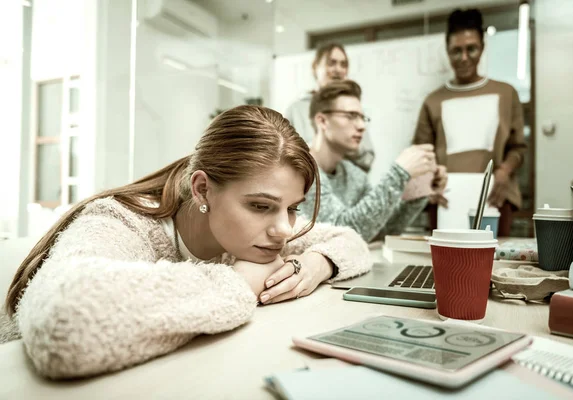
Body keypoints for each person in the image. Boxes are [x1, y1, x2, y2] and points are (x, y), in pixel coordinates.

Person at [1, 105, 372, 379]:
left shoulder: (251, 232)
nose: (285, 230)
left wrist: (314, 265)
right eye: (261, 206)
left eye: (292, 208)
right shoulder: (120, 221)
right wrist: (240, 283)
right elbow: (66, 324)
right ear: (201, 189)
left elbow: (349, 241)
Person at [413, 8, 527, 236]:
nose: (464, 58)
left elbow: (518, 148)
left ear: (482, 47)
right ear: (447, 51)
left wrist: (504, 171)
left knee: (491, 263)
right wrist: (429, 183)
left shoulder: (506, 93)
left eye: (471, 49)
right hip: (446, 203)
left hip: (495, 197)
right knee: (444, 266)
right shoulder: (433, 101)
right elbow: (419, 154)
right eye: (456, 51)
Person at [302, 80, 447, 242]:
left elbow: (380, 230)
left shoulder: (355, 175)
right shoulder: (300, 168)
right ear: (322, 121)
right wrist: (399, 174)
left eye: (363, 118)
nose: (362, 125)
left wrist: (421, 187)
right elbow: (341, 233)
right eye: (351, 116)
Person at [285, 43, 375, 172]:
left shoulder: (354, 110)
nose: (338, 69)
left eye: (343, 64)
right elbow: (286, 157)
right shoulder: (296, 110)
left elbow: (368, 158)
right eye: (331, 63)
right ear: (315, 67)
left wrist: (343, 144)